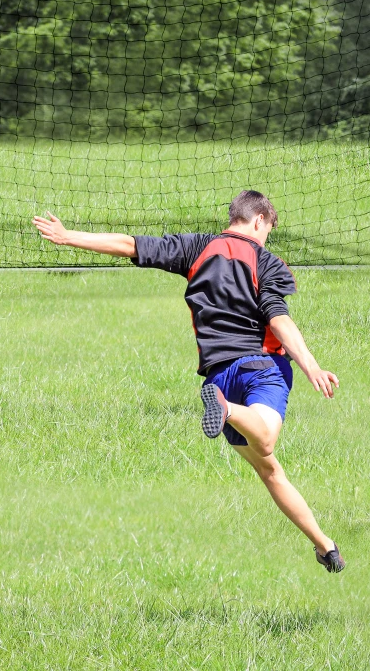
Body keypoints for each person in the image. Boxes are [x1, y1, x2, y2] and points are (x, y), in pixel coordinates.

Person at [32, 190, 344, 572]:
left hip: (218, 376)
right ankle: (227, 410)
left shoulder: (196, 247)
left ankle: (324, 545)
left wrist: (69, 236)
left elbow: (130, 245)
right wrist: (311, 364)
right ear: (259, 220)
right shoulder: (266, 261)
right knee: (266, 437)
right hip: (260, 369)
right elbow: (277, 316)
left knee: (269, 469)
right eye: (268, 230)